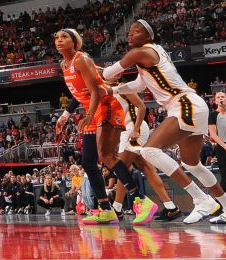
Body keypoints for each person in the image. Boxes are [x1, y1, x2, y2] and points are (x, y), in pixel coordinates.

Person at [104, 19, 226, 224]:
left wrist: (101, 76)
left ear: (148, 36)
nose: (130, 34)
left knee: (149, 150)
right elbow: (138, 85)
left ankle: (200, 199)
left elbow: (108, 73)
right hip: (193, 104)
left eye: (136, 31)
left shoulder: (139, 52)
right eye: (130, 31)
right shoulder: (152, 54)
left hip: (184, 104)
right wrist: (113, 90)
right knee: (192, 163)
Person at [54, 28, 157, 225]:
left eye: (64, 36)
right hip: (92, 110)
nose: (59, 40)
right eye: (57, 38)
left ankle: (141, 201)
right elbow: (79, 93)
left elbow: (94, 91)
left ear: (75, 41)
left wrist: (89, 115)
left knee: (106, 156)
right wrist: (65, 115)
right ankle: (105, 208)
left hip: (106, 107)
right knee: (88, 162)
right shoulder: (64, 65)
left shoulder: (81, 59)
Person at [114, 90, 180, 221]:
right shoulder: (106, 90)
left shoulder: (122, 88)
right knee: (146, 168)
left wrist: (136, 129)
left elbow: (142, 107)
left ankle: (117, 209)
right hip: (126, 130)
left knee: (122, 167)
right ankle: (171, 207)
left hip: (133, 129)